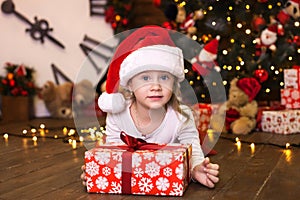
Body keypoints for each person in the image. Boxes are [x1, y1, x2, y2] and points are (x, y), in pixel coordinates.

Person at [81, 25, 219, 189]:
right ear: (130, 84)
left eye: (164, 77)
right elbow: (114, 153)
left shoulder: (181, 116)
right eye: (145, 78)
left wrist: (196, 169)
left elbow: (193, 149)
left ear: (174, 83)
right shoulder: (118, 115)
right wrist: (98, 171)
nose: (156, 86)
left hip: (165, 182)